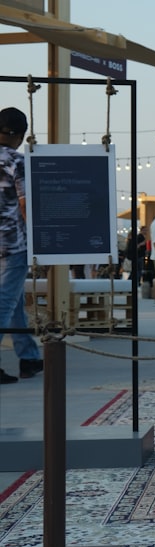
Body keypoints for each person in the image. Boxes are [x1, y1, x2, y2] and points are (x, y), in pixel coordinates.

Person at [0, 107, 43, 384]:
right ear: (20, 135)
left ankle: (28, 357)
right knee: (4, 302)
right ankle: (28, 358)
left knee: (12, 300)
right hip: (13, 243)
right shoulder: (18, 160)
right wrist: (41, 243)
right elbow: (25, 203)